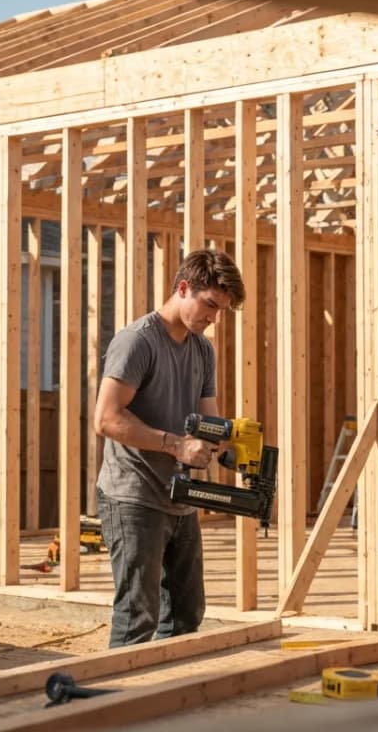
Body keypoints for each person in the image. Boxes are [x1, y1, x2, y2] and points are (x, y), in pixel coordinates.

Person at [93, 249, 246, 647]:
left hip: (180, 498)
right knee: (137, 616)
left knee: (185, 613)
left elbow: (209, 421)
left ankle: (168, 697)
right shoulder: (137, 342)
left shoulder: (201, 349)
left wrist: (233, 445)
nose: (213, 318)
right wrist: (177, 445)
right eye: (210, 304)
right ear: (183, 288)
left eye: (221, 310)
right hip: (133, 495)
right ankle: (121, 699)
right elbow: (106, 418)